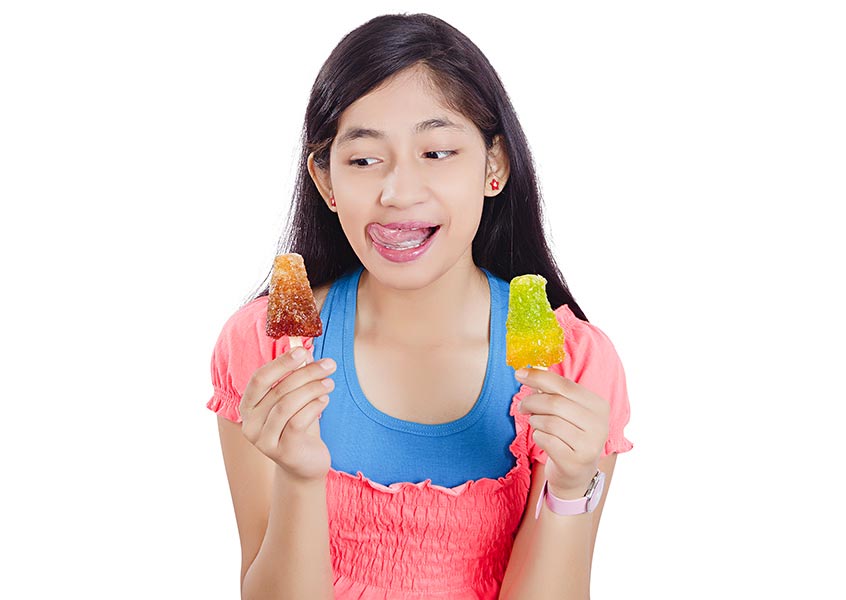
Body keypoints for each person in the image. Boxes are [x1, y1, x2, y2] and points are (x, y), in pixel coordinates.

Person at [207, 13, 633, 599]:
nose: (398, 192)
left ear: (495, 165)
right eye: (363, 160)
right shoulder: (265, 347)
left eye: (436, 152)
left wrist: (571, 485)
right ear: (326, 181)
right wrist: (299, 478)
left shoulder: (575, 364)